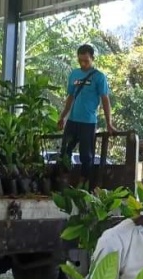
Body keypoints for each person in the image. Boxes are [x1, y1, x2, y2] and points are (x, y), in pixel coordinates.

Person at [58, 44, 115, 183]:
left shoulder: (99, 77)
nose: (83, 64)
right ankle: (64, 180)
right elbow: (70, 97)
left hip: (88, 122)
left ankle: (84, 184)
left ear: (92, 59)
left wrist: (109, 123)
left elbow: (105, 100)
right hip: (72, 120)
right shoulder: (74, 74)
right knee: (65, 151)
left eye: (86, 61)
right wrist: (63, 117)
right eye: (80, 61)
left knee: (86, 156)